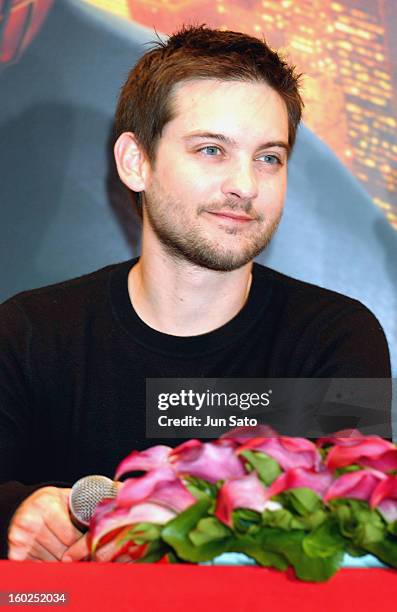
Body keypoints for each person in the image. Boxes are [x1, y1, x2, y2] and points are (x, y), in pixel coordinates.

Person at [0, 25, 390, 562]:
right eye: (212, 150)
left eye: (269, 157)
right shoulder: (30, 332)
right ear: (136, 161)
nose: (246, 185)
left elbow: (362, 536)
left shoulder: (335, 337)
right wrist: (16, 516)